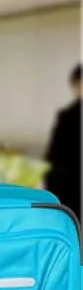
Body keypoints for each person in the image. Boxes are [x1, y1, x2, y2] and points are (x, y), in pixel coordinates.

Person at [44, 63, 82, 218]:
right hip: (69, 185)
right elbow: (54, 155)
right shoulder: (67, 116)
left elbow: (53, 156)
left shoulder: (67, 116)